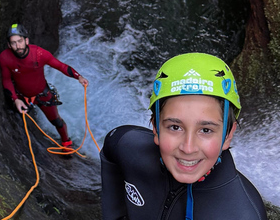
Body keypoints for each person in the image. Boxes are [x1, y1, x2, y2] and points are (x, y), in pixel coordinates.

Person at [100, 52, 266, 219]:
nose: (188, 148)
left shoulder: (242, 214)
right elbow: (110, 149)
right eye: (175, 127)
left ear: (228, 135)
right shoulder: (125, 144)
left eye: (206, 130)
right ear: (156, 128)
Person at [0, 23, 89, 148]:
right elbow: (6, 79)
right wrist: (15, 100)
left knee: (56, 121)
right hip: (21, 96)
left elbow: (60, 66)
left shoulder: (39, 54)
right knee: (17, 115)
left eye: (20, 41)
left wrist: (78, 77)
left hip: (42, 95)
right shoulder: (5, 57)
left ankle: (66, 142)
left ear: (26, 40)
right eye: (13, 43)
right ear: (9, 45)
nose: (17, 46)